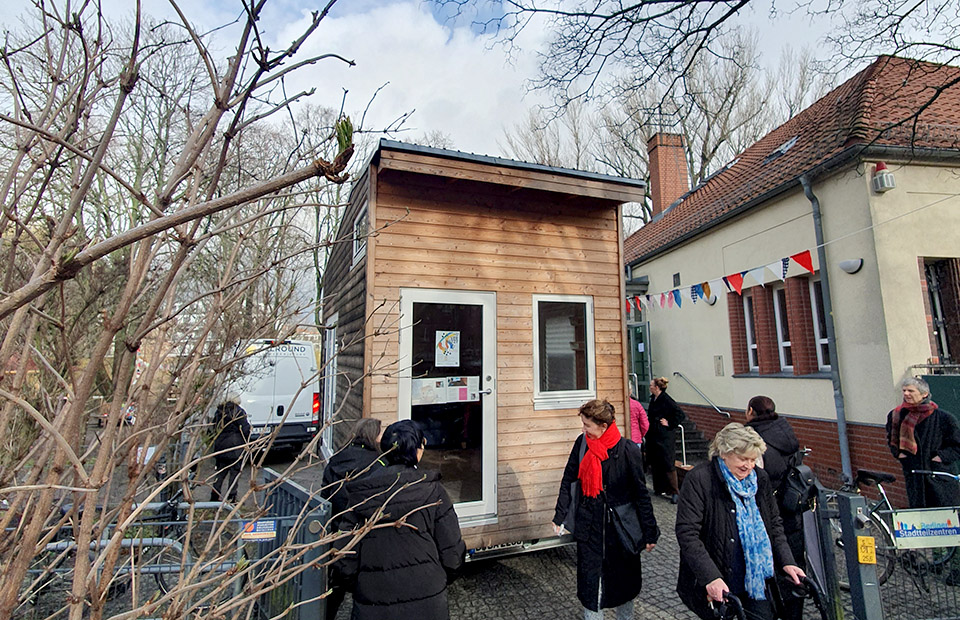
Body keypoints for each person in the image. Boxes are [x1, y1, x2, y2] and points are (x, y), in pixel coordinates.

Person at [334, 420, 465, 620]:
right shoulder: (433, 491)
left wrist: (364, 586)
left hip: (374, 603)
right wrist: (436, 580)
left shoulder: (362, 494)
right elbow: (452, 553)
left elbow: (344, 558)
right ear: (418, 450)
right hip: (428, 602)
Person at [676, 423, 805, 620]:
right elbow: (688, 533)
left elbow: (774, 524)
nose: (748, 465)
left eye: (753, 459)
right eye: (743, 458)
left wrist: (787, 561)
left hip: (756, 580)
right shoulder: (700, 479)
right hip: (720, 577)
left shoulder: (759, 478)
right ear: (723, 453)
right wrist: (710, 577)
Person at [552, 399, 659, 620]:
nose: (583, 429)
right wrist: (560, 515)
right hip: (589, 527)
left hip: (620, 531)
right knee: (592, 588)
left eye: (587, 425)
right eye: (583, 424)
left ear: (603, 426)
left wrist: (650, 532)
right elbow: (569, 480)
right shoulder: (581, 444)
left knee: (624, 587)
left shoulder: (628, 450)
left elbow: (641, 494)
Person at [745, 396, 804, 620]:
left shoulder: (753, 438)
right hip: (791, 506)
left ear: (751, 411)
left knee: (773, 564)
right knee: (793, 561)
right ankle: (794, 611)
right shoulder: (784, 428)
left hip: (768, 509)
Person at [321, 418, 383, 620]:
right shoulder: (378, 462)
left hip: (339, 530)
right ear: (373, 436)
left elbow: (326, 496)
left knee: (336, 585)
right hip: (366, 533)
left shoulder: (336, 459)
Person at [886, 377, 960, 508]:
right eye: (904, 390)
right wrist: (899, 454)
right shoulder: (896, 415)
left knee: (944, 519)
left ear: (924, 394)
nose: (906, 394)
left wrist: (940, 457)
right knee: (920, 517)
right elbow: (892, 440)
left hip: (939, 478)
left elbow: (957, 446)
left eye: (911, 391)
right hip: (915, 477)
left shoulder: (944, 418)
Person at [646, 377, 685, 503]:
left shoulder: (667, 400)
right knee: (656, 462)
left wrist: (670, 423)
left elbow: (680, 414)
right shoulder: (653, 399)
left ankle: (675, 491)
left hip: (665, 436)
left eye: (651, 385)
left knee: (668, 462)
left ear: (657, 387)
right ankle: (660, 488)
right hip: (654, 434)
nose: (650, 386)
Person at [210, 393, 251, 503]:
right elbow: (246, 429)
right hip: (235, 446)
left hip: (221, 446)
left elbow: (213, 428)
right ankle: (231, 497)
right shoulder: (239, 411)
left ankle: (214, 495)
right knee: (234, 472)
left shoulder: (219, 412)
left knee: (220, 472)